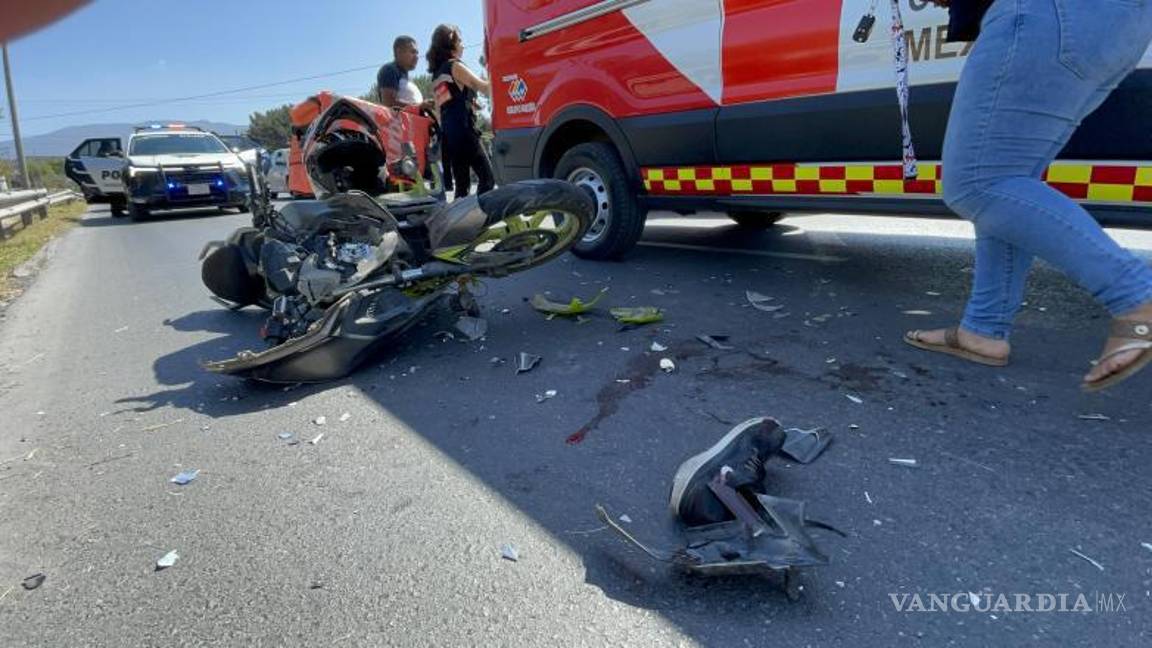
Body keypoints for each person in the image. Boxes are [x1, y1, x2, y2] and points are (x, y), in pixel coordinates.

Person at [904, 0, 1152, 392]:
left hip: (1051, 12)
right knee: (1008, 177)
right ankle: (983, 329)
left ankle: (1137, 294)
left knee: (976, 183)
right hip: (1120, 23)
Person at [427, 24, 494, 200]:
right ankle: (481, 216)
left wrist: (470, 104)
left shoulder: (437, 75)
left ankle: (461, 217)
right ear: (451, 44)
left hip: (450, 136)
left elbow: (443, 108)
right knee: (487, 179)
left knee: (462, 189)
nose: (463, 45)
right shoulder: (454, 66)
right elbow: (484, 88)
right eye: (460, 41)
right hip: (464, 131)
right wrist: (498, 72)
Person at [377, 36, 426, 109]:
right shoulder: (390, 70)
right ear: (399, 52)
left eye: (417, 53)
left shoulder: (408, 78)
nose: (417, 57)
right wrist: (418, 106)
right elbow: (389, 103)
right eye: (413, 52)